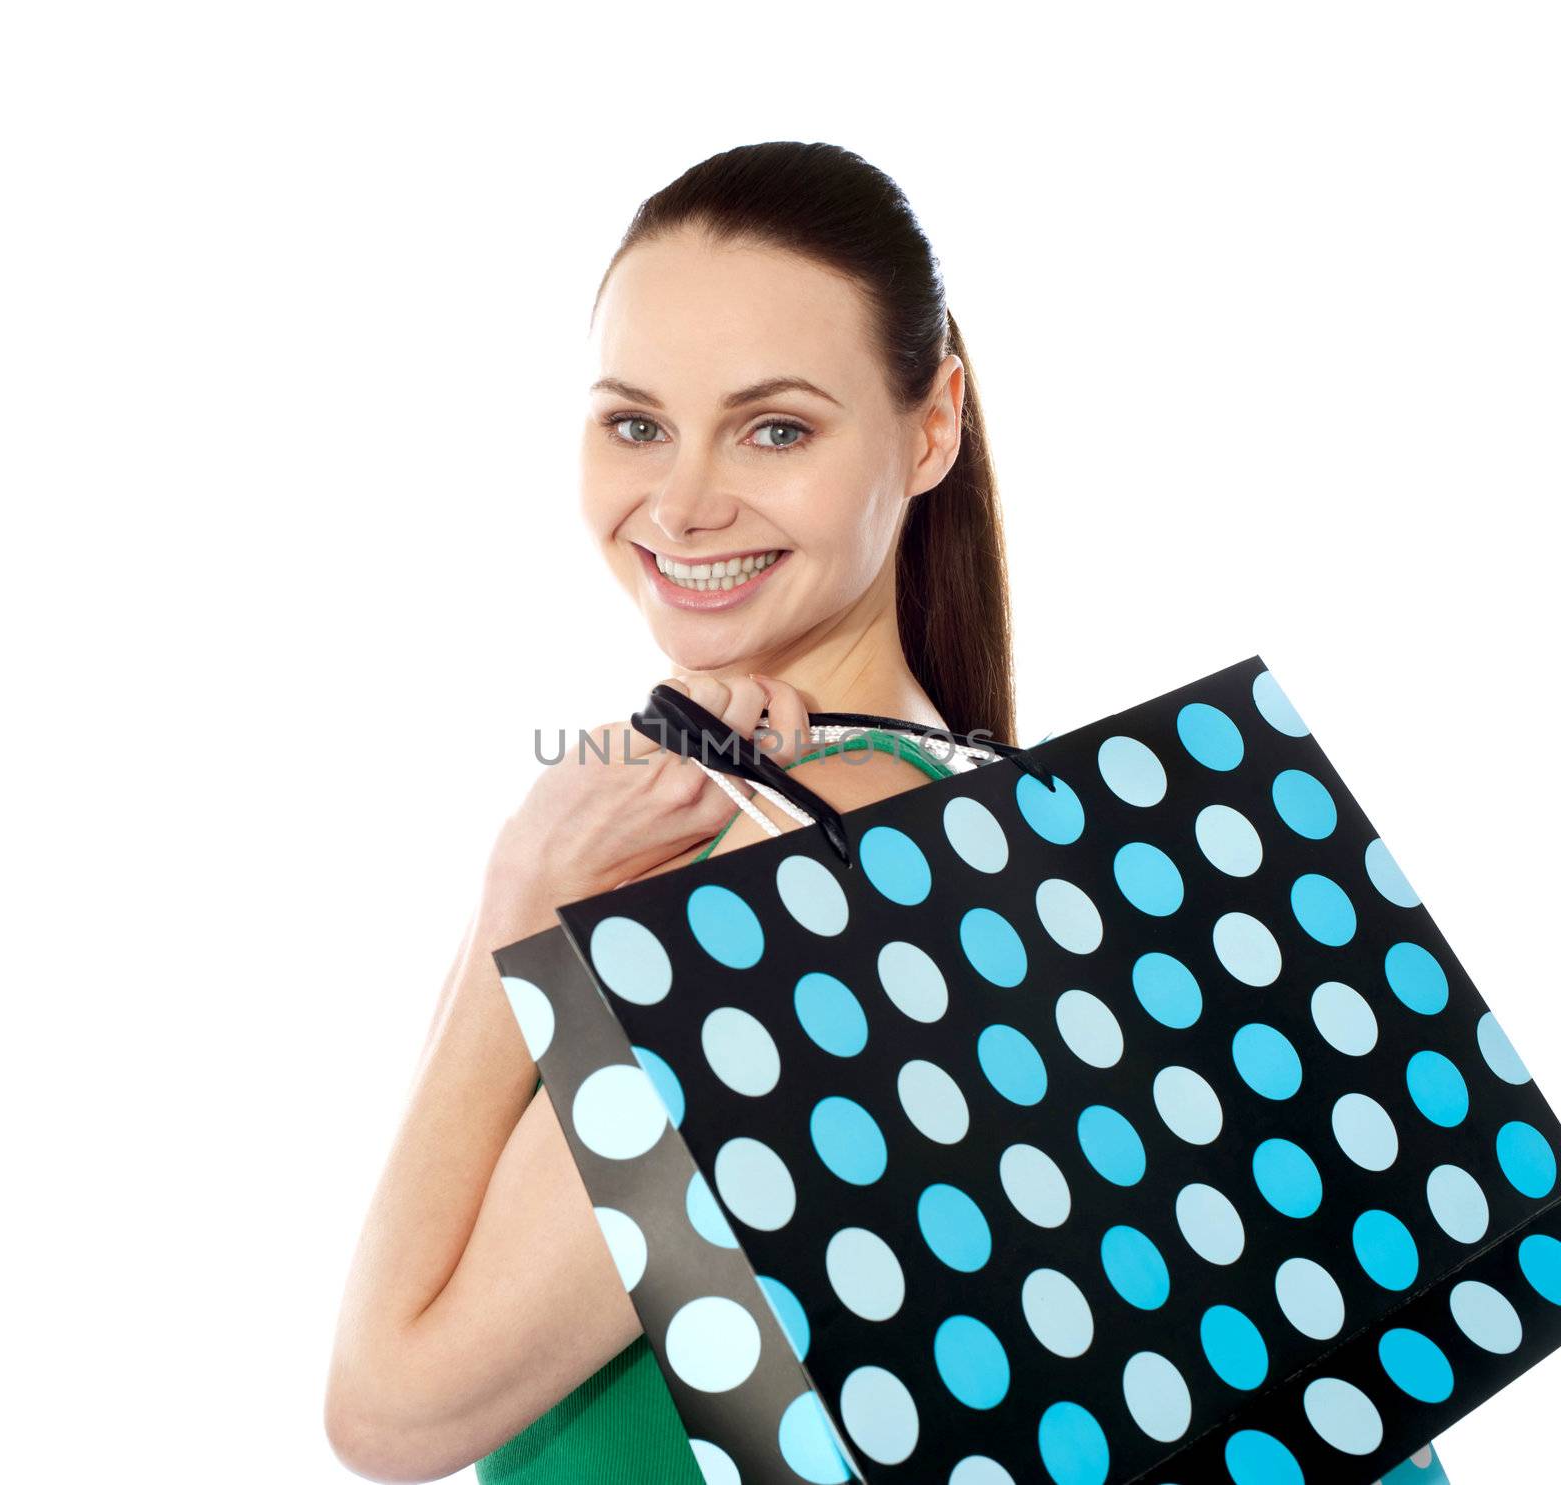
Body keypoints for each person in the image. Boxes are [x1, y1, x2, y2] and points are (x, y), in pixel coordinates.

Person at [323, 139, 1453, 1485]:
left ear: (932, 428)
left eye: (776, 427)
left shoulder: (783, 878)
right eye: (635, 423)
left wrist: (518, 902)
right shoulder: (981, 828)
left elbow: (392, 1410)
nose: (681, 501)